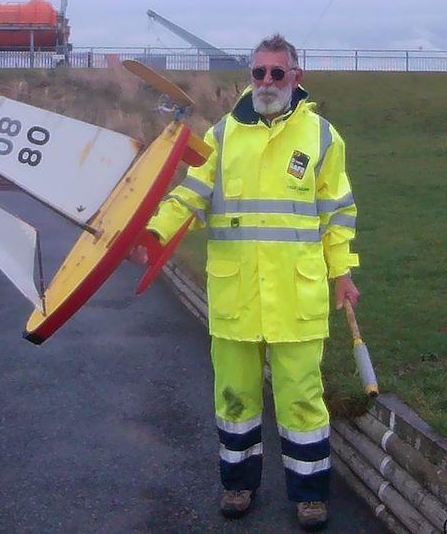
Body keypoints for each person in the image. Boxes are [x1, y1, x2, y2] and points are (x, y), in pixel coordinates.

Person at [129, 34, 360, 531]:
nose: (268, 82)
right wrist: (154, 232)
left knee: (302, 399)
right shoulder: (222, 135)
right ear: (250, 77)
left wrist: (342, 273)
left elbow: (338, 213)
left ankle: (310, 496)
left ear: (296, 77)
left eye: (278, 73)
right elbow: (188, 196)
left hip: (296, 297)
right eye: (259, 73)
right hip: (236, 296)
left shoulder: (322, 137)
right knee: (235, 398)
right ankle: (238, 485)